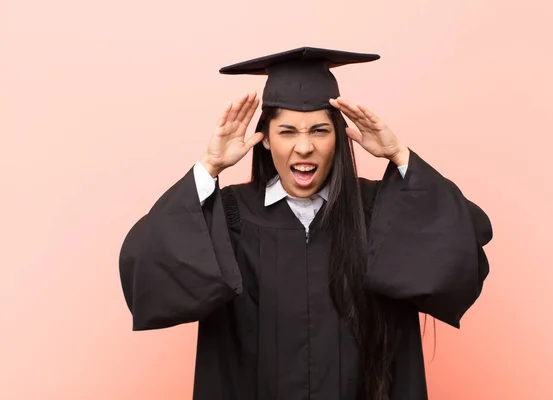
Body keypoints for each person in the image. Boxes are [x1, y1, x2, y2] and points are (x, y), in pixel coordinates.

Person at [119, 47, 493, 400]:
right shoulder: (229, 215)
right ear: (265, 140)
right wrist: (209, 167)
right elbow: (145, 265)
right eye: (287, 132)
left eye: (319, 130)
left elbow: (461, 245)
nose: (303, 147)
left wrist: (400, 156)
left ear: (339, 138)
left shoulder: (378, 210)